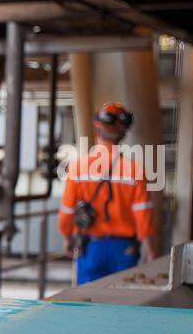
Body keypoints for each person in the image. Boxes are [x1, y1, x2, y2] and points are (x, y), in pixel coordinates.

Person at [57, 102, 156, 284]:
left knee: (88, 304)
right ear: (122, 135)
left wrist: (66, 237)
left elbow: (67, 210)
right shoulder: (135, 170)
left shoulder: (79, 168)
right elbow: (142, 213)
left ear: (96, 130)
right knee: (121, 306)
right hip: (125, 249)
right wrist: (149, 249)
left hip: (90, 247)